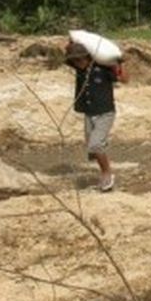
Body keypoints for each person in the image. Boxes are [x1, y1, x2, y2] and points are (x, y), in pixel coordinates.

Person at [65, 41, 128, 191]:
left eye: (80, 59)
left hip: (105, 113)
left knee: (95, 144)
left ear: (88, 57)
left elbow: (125, 80)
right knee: (92, 148)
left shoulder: (103, 69)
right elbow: (67, 55)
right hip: (89, 113)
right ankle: (101, 154)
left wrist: (119, 65)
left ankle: (107, 174)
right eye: (75, 60)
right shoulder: (79, 69)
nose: (78, 63)